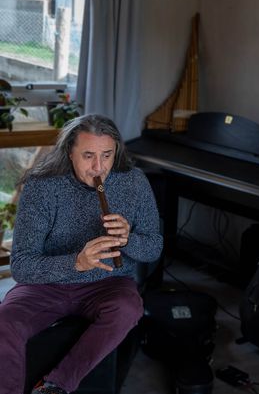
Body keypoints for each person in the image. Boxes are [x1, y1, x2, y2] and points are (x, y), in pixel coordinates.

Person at [0, 114, 163, 394]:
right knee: (4, 324)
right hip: (45, 285)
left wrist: (128, 240)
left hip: (109, 282)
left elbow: (153, 248)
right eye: (88, 155)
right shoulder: (42, 187)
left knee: (128, 309)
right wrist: (77, 262)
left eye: (107, 155)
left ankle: (55, 385)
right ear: (70, 153)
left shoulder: (134, 183)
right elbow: (22, 267)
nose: (99, 167)